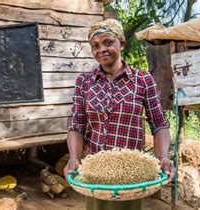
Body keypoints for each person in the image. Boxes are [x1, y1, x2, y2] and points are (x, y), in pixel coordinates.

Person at [64, 19, 176, 210]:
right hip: (96, 172)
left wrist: (163, 157)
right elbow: (77, 126)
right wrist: (74, 157)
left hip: (130, 172)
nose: (102, 50)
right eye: (95, 46)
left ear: (121, 43)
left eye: (108, 42)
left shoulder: (142, 80)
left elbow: (159, 124)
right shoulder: (84, 82)